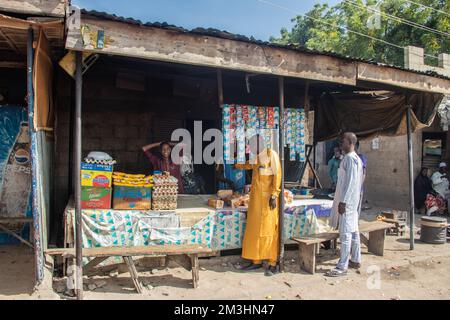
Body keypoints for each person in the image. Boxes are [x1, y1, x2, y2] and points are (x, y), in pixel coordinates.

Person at [233, 135, 282, 276]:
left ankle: (273, 263)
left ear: (260, 143)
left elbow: (277, 175)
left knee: (268, 231)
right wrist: (236, 165)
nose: (252, 148)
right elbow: (248, 164)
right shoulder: (257, 157)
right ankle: (256, 260)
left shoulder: (270, 154)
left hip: (268, 202)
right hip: (255, 202)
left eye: (253, 145)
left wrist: (274, 194)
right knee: (255, 231)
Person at [326, 132, 364, 277]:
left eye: (343, 141)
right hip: (351, 202)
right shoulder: (353, 159)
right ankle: (355, 259)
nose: (340, 144)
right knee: (354, 232)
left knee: (345, 234)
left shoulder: (350, 159)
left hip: (347, 203)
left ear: (350, 142)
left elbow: (351, 183)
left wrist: (344, 202)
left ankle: (342, 266)